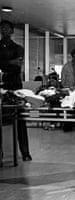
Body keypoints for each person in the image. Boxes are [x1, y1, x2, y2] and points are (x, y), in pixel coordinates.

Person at [0, 20, 32, 164]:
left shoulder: (18, 48)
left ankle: (25, 152)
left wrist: (4, 64)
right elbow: (7, 65)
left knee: (20, 118)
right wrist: (8, 63)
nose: (4, 30)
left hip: (15, 85)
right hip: (2, 84)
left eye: (7, 28)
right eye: (2, 28)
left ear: (12, 31)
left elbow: (17, 66)